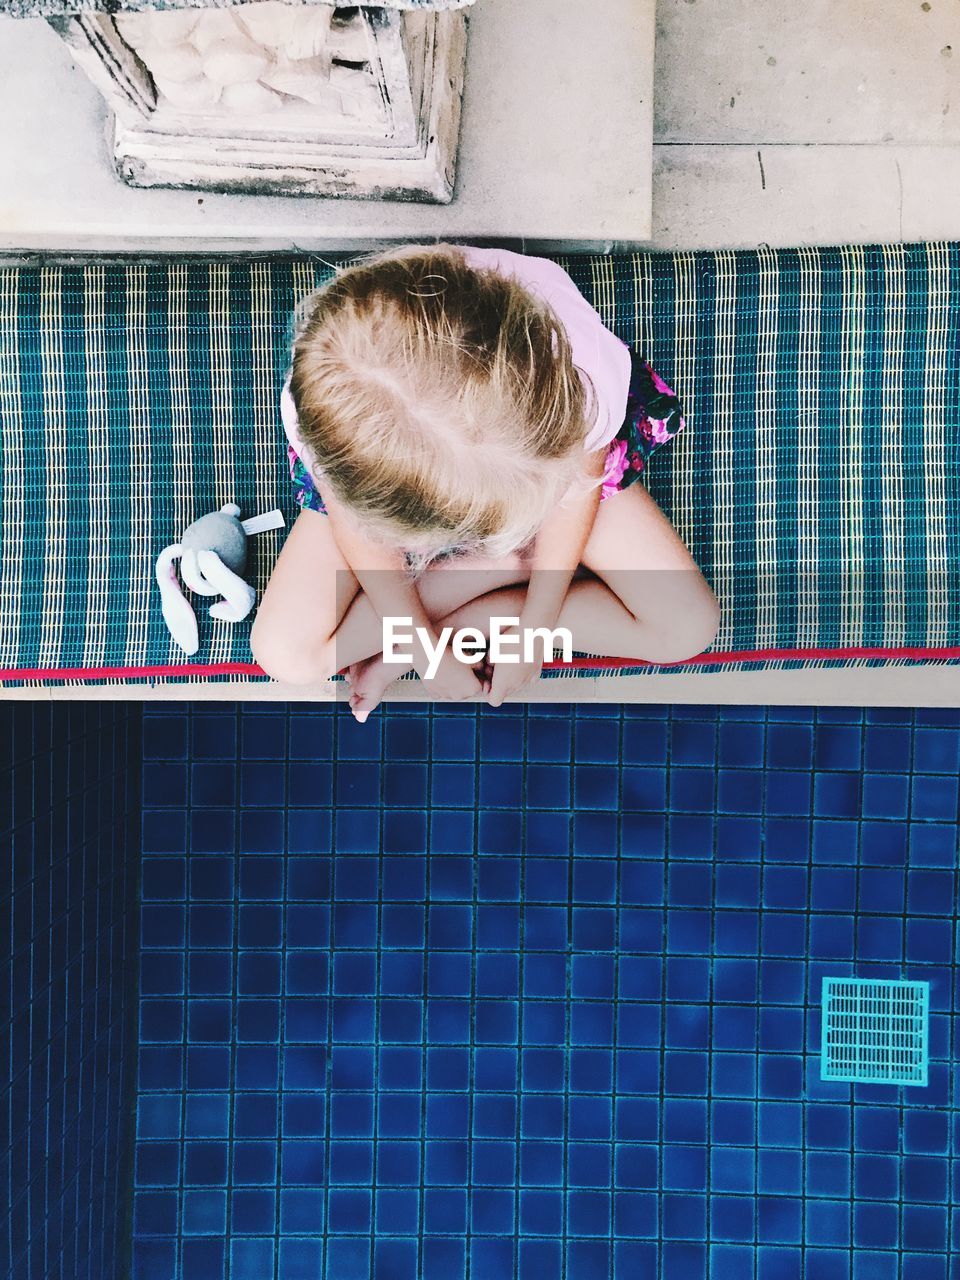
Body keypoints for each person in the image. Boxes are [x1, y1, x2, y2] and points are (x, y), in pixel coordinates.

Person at [252, 244, 719, 720]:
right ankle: (510, 567)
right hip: (419, 478)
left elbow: (579, 485)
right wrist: (422, 649)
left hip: (553, 466)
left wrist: (532, 628)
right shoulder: (331, 406)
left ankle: (488, 595)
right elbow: (355, 528)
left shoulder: (576, 372)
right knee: (284, 654)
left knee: (687, 627)